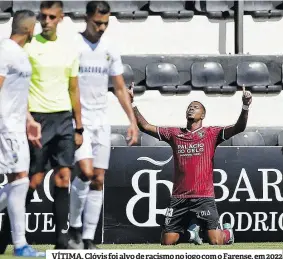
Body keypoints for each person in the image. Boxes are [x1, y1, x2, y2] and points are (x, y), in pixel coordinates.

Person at [0, 1, 83, 251]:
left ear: (61, 18)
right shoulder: (25, 47)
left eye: (50, 17)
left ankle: (60, 242)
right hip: (32, 119)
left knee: (62, 177)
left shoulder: (69, 49)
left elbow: (73, 87)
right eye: (42, 17)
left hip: (59, 119)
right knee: (28, 180)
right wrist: (29, 119)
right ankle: (10, 239)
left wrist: (78, 125)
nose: (45, 22)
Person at [128, 84, 252, 245]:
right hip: (179, 198)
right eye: (189, 107)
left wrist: (245, 106)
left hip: (203, 197)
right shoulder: (174, 133)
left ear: (203, 115)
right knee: (167, 243)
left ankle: (227, 233)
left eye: (196, 107)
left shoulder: (211, 134)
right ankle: (193, 231)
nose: (191, 109)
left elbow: (239, 127)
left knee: (216, 242)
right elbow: (145, 126)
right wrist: (132, 103)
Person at [68, 1, 138, 250]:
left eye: (105, 23)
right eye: (97, 22)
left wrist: (132, 121)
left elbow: (119, 87)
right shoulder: (74, 45)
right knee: (85, 172)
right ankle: (74, 229)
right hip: (79, 120)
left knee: (98, 178)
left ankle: (87, 238)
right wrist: (76, 123)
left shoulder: (109, 48)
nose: (101, 27)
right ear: (87, 18)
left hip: (101, 121)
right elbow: (70, 84)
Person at [0, 10, 45, 256]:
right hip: (5, 126)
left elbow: (17, 94)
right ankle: (20, 245)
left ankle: (20, 244)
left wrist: (29, 120)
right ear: (30, 29)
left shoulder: (19, 54)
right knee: (20, 181)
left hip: (17, 125)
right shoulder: (5, 52)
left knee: (19, 181)